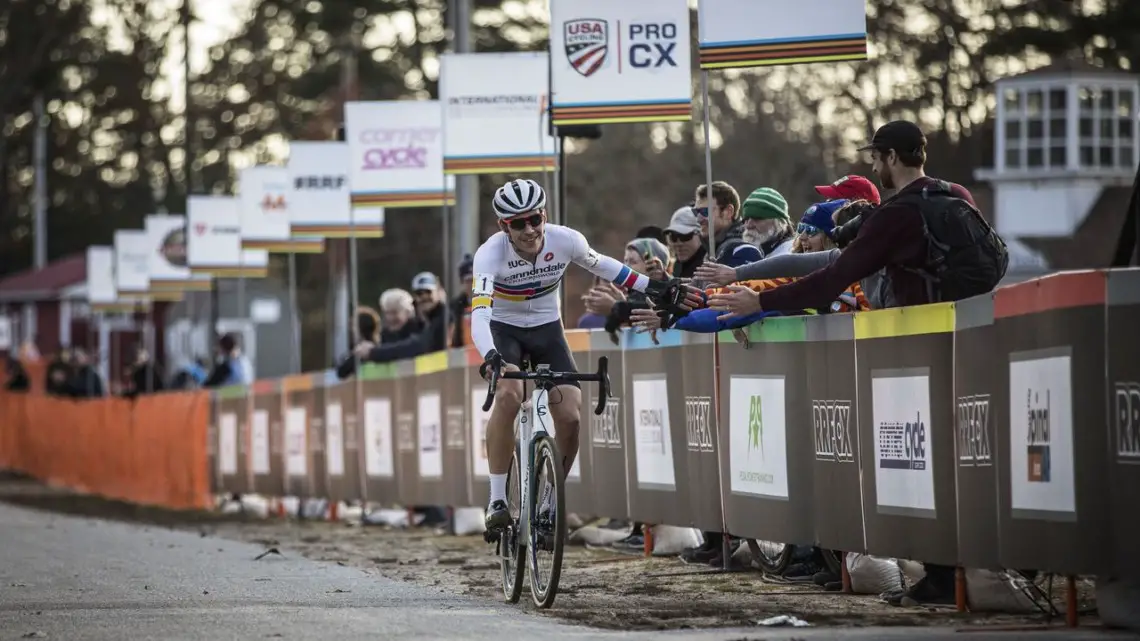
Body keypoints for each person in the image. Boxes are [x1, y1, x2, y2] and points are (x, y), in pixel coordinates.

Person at [472, 178, 701, 535]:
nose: (530, 229)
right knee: (509, 394)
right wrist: (490, 355)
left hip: (548, 329)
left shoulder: (566, 240)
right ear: (505, 226)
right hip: (504, 330)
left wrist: (654, 286)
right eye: (519, 224)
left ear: (544, 215)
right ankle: (498, 499)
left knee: (571, 417)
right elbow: (480, 315)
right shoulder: (489, 254)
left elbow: (608, 268)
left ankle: (550, 501)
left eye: (535, 219)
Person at [663, 205, 706, 279]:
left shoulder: (709, 266)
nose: (678, 243)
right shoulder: (674, 267)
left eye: (685, 236)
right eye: (673, 237)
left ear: (701, 234)